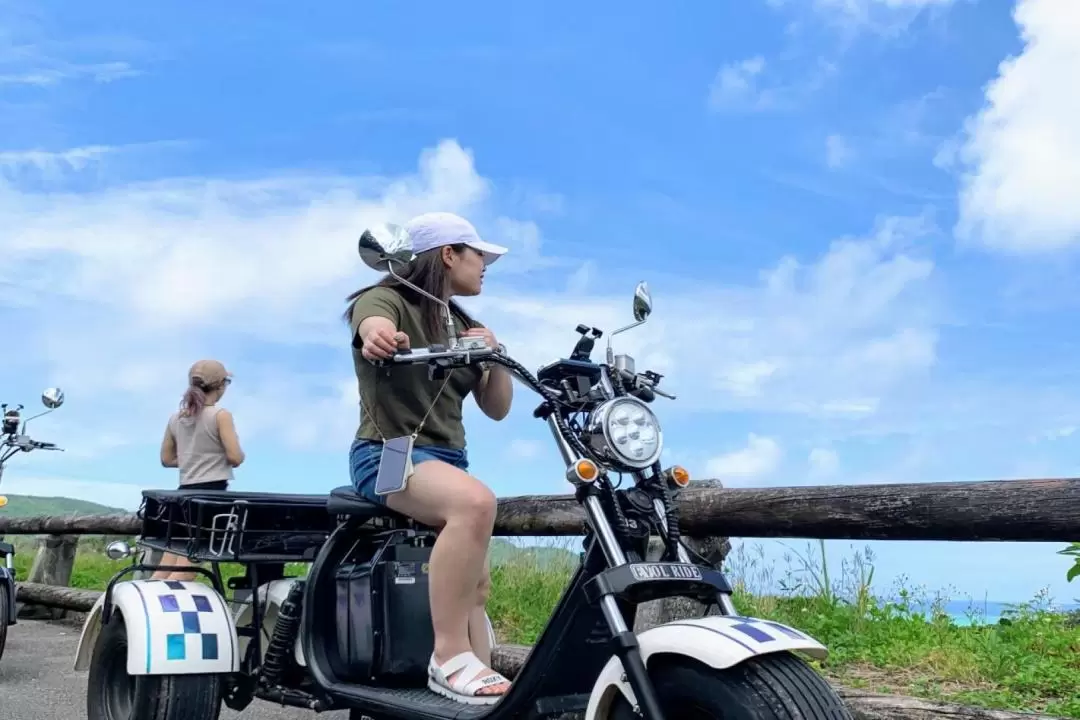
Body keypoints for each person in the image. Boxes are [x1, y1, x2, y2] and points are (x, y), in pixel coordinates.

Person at [344, 211, 514, 705]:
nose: (485, 264)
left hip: (446, 462)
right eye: (478, 254)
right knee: (475, 505)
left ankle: (483, 688)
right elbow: (372, 325)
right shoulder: (388, 298)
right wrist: (380, 336)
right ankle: (448, 656)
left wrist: (495, 353)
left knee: (476, 584)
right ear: (448, 254)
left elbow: (498, 408)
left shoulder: (467, 323)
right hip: (388, 452)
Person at [155, 359, 245, 581]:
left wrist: (191, 459)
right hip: (210, 497)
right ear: (221, 385)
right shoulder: (220, 415)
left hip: (182, 494)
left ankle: (142, 602)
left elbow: (167, 459)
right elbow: (235, 457)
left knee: (168, 561)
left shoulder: (176, 418)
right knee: (188, 567)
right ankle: (164, 610)